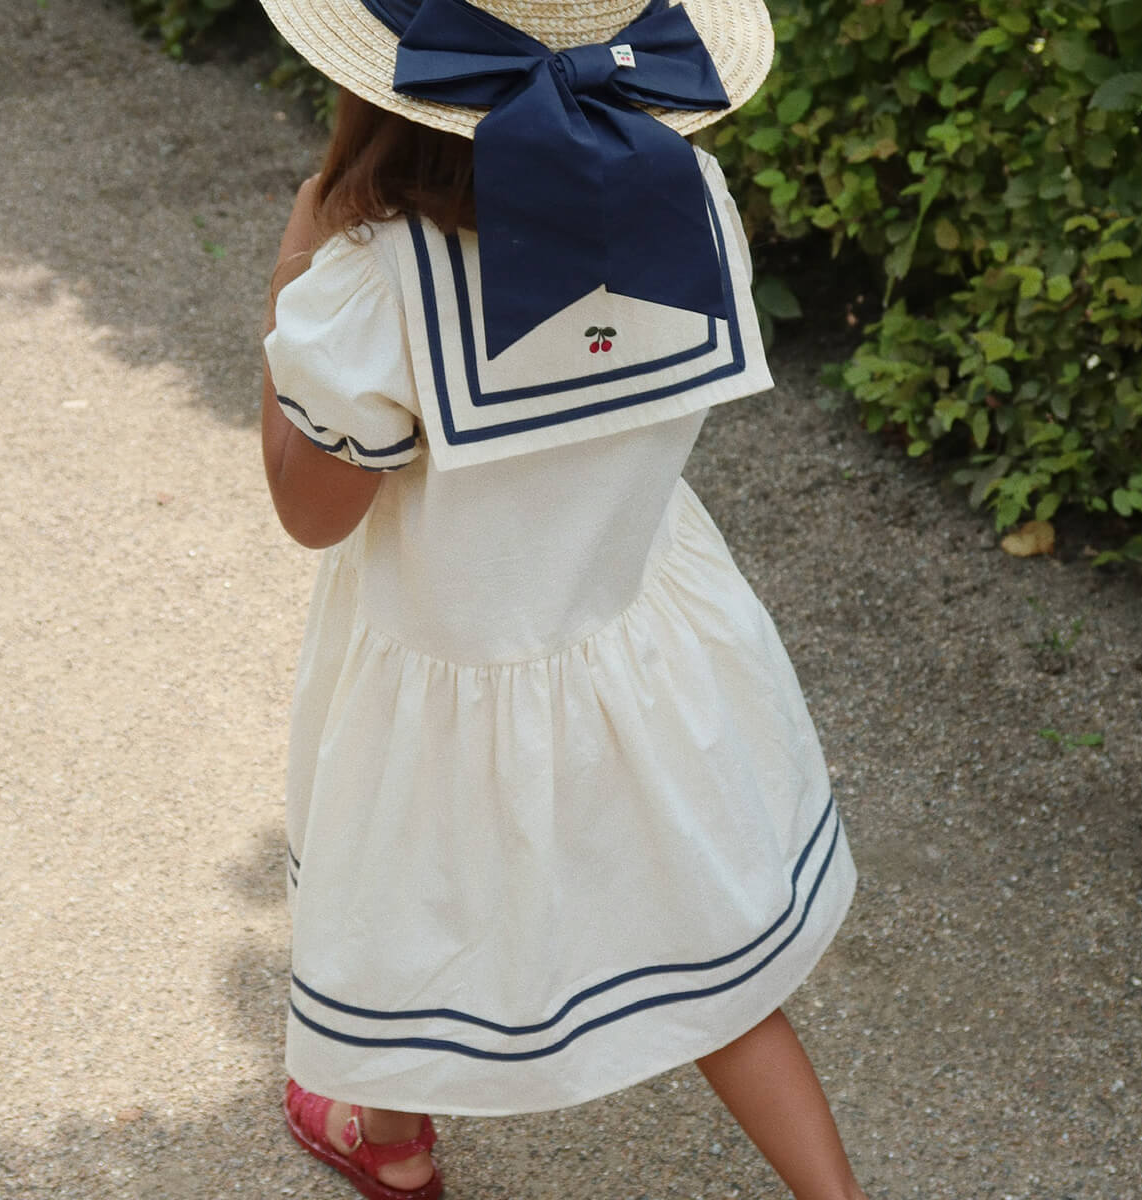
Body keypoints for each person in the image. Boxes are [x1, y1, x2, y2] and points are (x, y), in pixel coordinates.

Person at [257, 1, 867, 1198]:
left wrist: (299, 263)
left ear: (377, 87)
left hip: (444, 669)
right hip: (636, 633)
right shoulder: (693, 206)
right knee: (713, 961)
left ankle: (391, 1143)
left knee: (400, 915)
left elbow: (308, 510)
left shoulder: (373, 285)